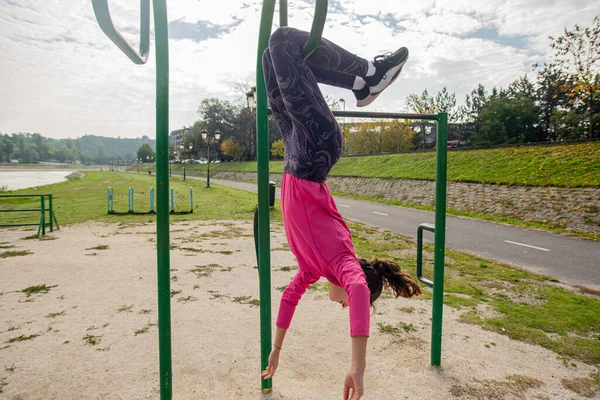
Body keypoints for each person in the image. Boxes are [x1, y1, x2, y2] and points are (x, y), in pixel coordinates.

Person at [260, 27, 422, 400]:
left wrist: (277, 349)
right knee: (283, 40)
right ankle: (372, 72)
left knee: (272, 60)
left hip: (293, 146)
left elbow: (288, 299)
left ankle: (360, 84)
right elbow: (361, 291)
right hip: (316, 147)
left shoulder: (313, 271)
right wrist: (357, 367)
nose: (342, 305)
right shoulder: (343, 263)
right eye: (346, 304)